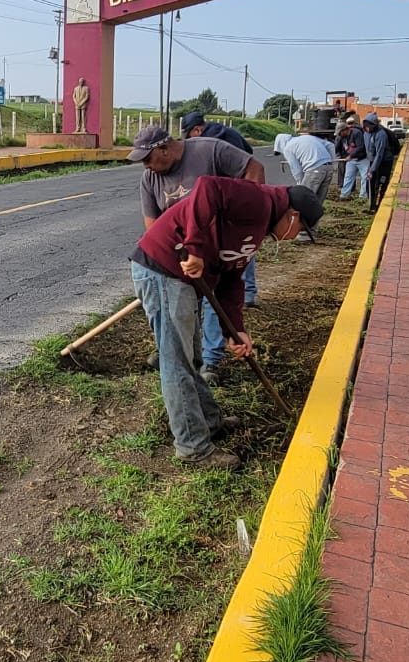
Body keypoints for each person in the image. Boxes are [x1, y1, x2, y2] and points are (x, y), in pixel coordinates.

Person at [131, 176, 323, 466]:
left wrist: (235, 331)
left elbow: (231, 278)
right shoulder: (259, 201)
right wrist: (194, 247)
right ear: (293, 215)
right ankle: (193, 448)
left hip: (183, 282)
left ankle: (209, 422)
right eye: (300, 230)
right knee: (177, 363)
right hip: (163, 270)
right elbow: (208, 187)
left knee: (190, 359)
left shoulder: (259, 227)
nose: (295, 236)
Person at [130, 125, 266, 384]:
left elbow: (254, 169)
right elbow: (153, 226)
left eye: (148, 159)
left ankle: (210, 361)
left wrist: (246, 216)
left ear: (165, 149)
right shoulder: (150, 179)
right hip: (186, 259)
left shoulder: (210, 150)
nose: (145, 166)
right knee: (183, 307)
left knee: (217, 302)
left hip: (222, 249)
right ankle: (179, 354)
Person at [272, 117, 335, 208]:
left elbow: (296, 170)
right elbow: (330, 145)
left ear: (281, 144)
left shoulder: (288, 148)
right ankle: (314, 221)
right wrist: (331, 162)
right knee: (318, 202)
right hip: (328, 169)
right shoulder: (307, 137)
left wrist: (301, 184)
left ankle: (303, 221)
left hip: (314, 171)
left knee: (305, 200)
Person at [362, 114, 398, 214]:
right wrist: (369, 166)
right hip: (372, 160)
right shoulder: (365, 133)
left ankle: (378, 206)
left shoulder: (381, 134)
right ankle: (371, 205)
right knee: (370, 183)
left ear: (374, 125)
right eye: (365, 127)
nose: (367, 129)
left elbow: (379, 154)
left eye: (369, 127)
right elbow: (367, 150)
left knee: (380, 183)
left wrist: (372, 169)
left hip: (384, 162)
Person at [179, 110, 254, 154]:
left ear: (197, 130)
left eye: (189, 137)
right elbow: (249, 151)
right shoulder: (230, 131)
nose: (189, 141)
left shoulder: (204, 145)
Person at [338, 115, 370, 201]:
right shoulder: (342, 137)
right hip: (351, 160)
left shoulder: (357, 133)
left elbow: (360, 147)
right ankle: (344, 194)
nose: (339, 135)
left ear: (345, 130)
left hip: (362, 159)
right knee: (348, 177)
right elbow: (342, 147)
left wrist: (350, 156)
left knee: (365, 177)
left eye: (340, 132)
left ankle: (363, 196)